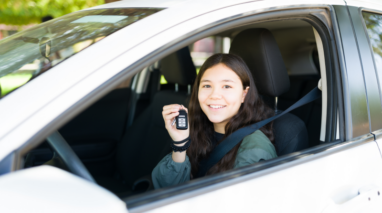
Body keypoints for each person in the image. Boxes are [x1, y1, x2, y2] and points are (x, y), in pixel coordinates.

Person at [152, 53, 277, 189]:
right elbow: (166, 190)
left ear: (243, 94)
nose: (214, 96)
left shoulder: (254, 150)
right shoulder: (198, 128)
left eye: (227, 86)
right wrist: (180, 144)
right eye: (207, 86)